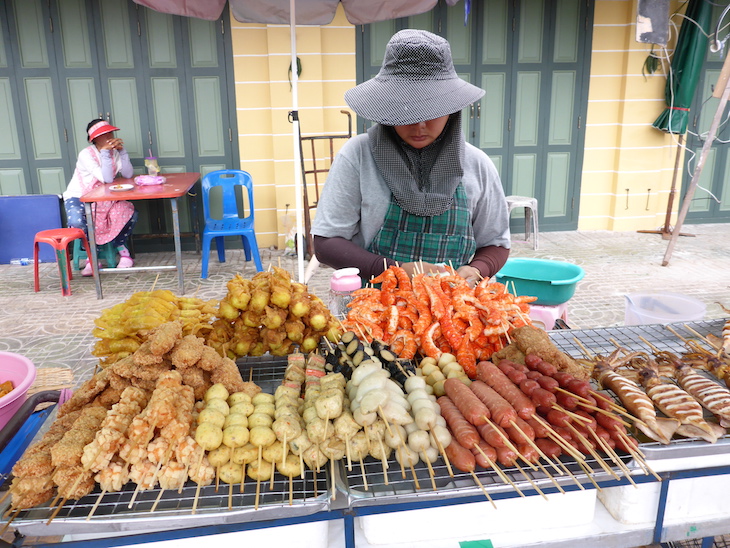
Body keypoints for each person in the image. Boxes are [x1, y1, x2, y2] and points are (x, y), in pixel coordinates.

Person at [310, 29, 510, 286]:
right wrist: (396, 270)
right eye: (406, 108)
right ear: (387, 104)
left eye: (433, 109)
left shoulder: (477, 165)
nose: (420, 124)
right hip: (372, 308)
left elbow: (496, 244)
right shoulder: (358, 155)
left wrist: (477, 269)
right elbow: (326, 243)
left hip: (453, 311)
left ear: (452, 107)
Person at [63, 119, 138, 276]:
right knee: (77, 221)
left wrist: (122, 152)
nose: (109, 136)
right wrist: (104, 152)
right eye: (104, 134)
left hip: (105, 197)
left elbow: (128, 174)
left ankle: (121, 248)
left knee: (129, 212)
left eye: (110, 132)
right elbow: (106, 179)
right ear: (94, 139)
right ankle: (91, 256)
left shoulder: (115, 153)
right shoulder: (86, 154)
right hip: (79, 196)